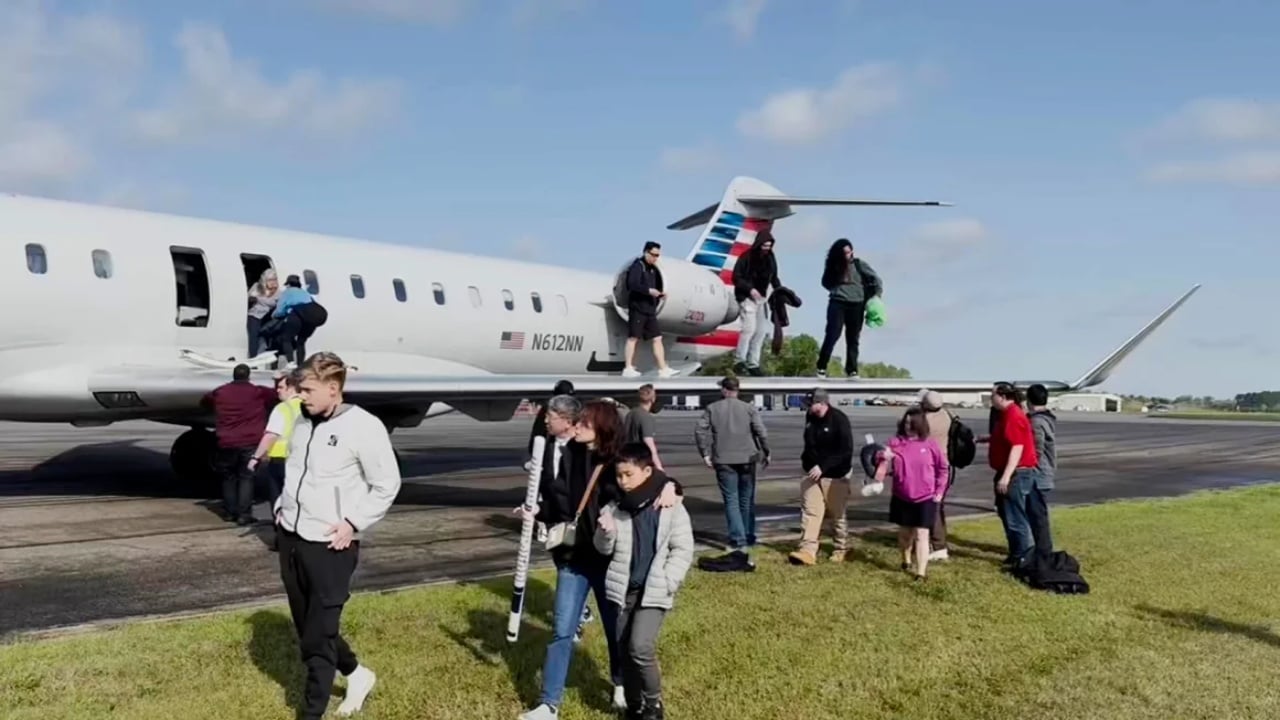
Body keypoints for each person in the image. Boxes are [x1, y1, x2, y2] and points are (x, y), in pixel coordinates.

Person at [519, 399, 683, 720]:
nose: (575, 427)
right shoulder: (570, 455)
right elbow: (559, 499)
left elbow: (654, 478)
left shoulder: (618, 461)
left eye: (583, 423)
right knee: (562, 630)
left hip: (609, 561)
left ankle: (620, 684)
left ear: (601, 428)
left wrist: (671, 488)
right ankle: (548, 704)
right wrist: (538, 511)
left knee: (615, 630)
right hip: (574, 558)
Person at [272, 352, 402, 720]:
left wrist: (353, 522)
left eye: (308, 390)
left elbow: (387, 484)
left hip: (331, 545)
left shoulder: (364, 426)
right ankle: (358, 675)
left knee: (317, 637)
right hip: (292, 538)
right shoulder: (301, 419)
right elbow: (295, 471)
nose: (301, 397)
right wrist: (282, 507)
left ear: (334, 389)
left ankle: (311, 712)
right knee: (308, 626)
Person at [594, 442, 694, 720]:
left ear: (647, 471)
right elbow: (603, 549)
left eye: (629, 474)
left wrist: (669, 580)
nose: (623, 481)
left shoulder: (669, 504)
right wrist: (605, 533)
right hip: (625, 592)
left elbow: (683, 548)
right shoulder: (615, 509)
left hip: (654, 590)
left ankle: (654, 704)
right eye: (619, 476)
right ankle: (634, 704)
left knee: (640, 646)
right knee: (624, 649)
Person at [693, 376, 770, 573]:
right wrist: (766, 451)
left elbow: (699, 431)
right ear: (737, 389)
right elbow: (761, 431)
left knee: (731, 500)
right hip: (747, 457)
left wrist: (705, 453)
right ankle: (749, 535)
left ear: (723, 390)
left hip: (724, 459)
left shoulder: (713, 408)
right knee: (747, 499)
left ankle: (738, 539)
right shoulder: (749, 408)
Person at [874, 406, 949, 580]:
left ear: (920, 425)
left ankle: (921, 573)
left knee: (923, 534)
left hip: (925, 497)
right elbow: (878, 460)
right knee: (905, 534)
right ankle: (905, 558)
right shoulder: (895, 443)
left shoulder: (930, 445)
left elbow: (943, 469)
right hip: (902, 496)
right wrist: (882, 456)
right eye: (906, 423)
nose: (908, 426)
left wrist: (939, 491)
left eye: (912, 423)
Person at [200, 364, 277, 525]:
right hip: (249, 442)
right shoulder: (257, 392)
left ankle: (229, 512)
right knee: (246, 478)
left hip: (226, 442)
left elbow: (206, 400)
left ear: (233, 376)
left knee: (228, 478)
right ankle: (244, 514)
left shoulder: (221, 392)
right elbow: (275, 395)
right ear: (248, 376)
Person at [789, 387, 855, 566]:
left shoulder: (839, 420)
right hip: (811, 473)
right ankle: (807, 551)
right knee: (810, 511)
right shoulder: (810, 418)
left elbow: (845, 450)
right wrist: (810, 463)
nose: (808, 407)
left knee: (837, 514)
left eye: (811, 404)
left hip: (835, 476)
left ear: (822, 403)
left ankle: (842, 548)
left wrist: (824, 466)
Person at [978, 382, 1041, 569]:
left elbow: (1017, 447)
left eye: (993, 395)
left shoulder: (1013, 416)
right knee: (1007, 513)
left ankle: (1023, 557)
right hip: (1010, 471)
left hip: (1016, 473)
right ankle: (1015, 554)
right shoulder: (1007, 415)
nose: (991, 399)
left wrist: (1006, 476)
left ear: (1003, 396)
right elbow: (1007, 438)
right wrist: (987, 439)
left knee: (1016, 517)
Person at [248, 369, 305, 551]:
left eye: (281, 387)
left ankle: (283, 540)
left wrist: (255, 457)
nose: (277, 391)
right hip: (302, 462)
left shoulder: (283, 409)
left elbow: (271, 435)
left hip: (280, 462)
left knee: (279, 501)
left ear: (291, 388)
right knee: (299, 501)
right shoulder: (309, 406)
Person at [815, 238, 882, 379]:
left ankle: (852, 369)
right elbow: (825, 282)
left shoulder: (859, 264)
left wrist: (876, 295)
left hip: (857, 304)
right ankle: (822, 366)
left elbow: (876, 279)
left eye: (849, 252)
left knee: (853, 338)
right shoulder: (833, 265)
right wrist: (837, 288)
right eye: (844, 253)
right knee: (833, 334)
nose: (848, 255)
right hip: (837, 303)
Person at [622, 241, 677, 379]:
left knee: (657, 338)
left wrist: (659, 294)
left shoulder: (653, 269)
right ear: (646, 252)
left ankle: (663, 368)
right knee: (633, 337)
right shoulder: (637, 266)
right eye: (653, 254)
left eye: (657, 255)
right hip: (638, 307)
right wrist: (648, 291)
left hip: (650, 309)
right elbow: (632, 284)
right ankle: (628, 367)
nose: (655, 258)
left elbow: (655, 287)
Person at [730, 230, 781, 376]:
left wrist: (780, 291)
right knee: (749, 329)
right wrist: (750, 289)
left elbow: (774, 277)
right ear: (759, 244)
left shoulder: (770, 258)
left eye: (769, 246)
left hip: (761, 299)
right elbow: (736, 277)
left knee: (761, 331)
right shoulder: (747, 257)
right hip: (747, 297)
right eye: (764, 246)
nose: (766, 248)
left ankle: (753, 363)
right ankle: (739, 361)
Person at [919, 390, 956, 561]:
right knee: (938, 506)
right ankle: (938, 542)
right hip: (945, 466)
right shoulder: (947, 415)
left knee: (930, 507)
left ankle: (937, 545)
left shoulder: (924, 421)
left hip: (929, 468)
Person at [1025, 383, 1057, 560]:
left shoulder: (1036, 422)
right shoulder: (1046, 418)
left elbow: (1036, 450)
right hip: (1044, 473)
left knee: (1037, 516)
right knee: (1037, 515)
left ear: (1029, 400)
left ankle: (1043, 552)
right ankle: (1041, 549)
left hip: (1037, 475)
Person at [272, 275, 327, 369]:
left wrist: (274, 316)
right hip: (310, 319)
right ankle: (300, 364)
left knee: (286, 338)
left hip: (296, 316)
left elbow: (280, 310)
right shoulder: (306, 294)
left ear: (288, 284)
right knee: (301, 342)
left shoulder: (287, 292)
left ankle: (291, 362)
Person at [622, 384, 665, 472]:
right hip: (640, 461)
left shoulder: (631, 413)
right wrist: (659, 466)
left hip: (628, 458)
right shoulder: (646, 417)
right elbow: (649, 444)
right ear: (653, 399)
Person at [246, 268, 281, 358]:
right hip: (255, 315)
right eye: (270, 280)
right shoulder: (257, 287)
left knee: (268, 336)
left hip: (267, 316)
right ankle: (253, 358)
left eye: (274, 280)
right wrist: (253, 299)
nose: (272, 282)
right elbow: (249, 298)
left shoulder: (278, 292)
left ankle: (267, 356)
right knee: (253, 337)